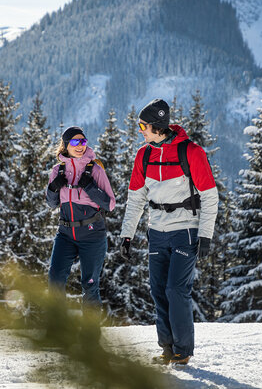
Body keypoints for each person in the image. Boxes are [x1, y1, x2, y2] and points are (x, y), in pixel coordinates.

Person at [119, 98, 218, 365]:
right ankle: (167, 348)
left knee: (176, 289)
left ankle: (182, 351)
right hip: (157, 231)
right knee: (159, 290)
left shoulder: (191, 152)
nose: (141, 130)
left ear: (157, 126)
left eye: (143, 126)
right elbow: (136, 198)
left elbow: (210, 196)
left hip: (185, 231)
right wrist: (127, 235)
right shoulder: (144, 155)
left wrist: (205, 235)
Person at [46, 126, 116, 307]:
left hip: (92, 235)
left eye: (83, 141)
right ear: (66, 145)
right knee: (55, 281)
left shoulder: (95, 170)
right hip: (65, 234)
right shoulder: (58, 170)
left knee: (90, 286)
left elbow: (110, 204)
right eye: (75, 142)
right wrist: (53, 188)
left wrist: (91, 187)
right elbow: (52, 204)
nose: (80, 146)